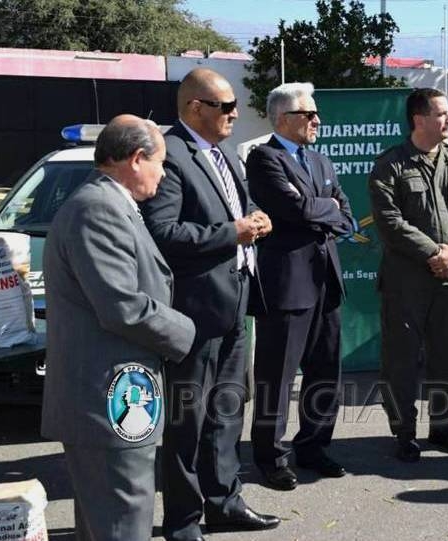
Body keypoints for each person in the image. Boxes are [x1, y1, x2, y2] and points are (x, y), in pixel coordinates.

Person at [40, 115, 197, 540]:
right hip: (106, 399)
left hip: (113, 395)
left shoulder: (109, 204)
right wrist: (187, 333)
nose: (164, 175)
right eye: (161, 163)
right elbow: (122, 306)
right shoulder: (98, 209)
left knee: (108, 521)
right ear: (136, 159)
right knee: (123, 522)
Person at [141, 68, 279, 540]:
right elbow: (163, 233)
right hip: (195, 313)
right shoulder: (171, 154)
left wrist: (255, 221)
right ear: (195, 107)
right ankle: (182, 521)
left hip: (236, 302)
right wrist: (232, 232)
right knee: (188, 421)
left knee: (226, 413)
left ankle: (224, 503)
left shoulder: (224, 155)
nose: (235, 114)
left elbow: (236, 214)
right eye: (226, 106)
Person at [368, 87, 448, 462]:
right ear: (419, 120)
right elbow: (389, 222)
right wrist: (434, 252)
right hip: (406, 282)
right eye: (441, 114)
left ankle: (442, 426)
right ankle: (404, 431)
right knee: (400, 359)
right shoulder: (391, 165)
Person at [246, 82, 354, 490]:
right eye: (308, 114)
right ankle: (271, 457)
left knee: (325, 372)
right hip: (288, 285)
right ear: (283, 118)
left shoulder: (321, 161)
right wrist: (324, 208)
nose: (317, 121)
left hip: (326, 281)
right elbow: (295, 209)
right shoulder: (264, 158)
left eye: (316, 113)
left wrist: (320, 209)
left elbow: (346, 216)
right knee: (277, 376)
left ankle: (313, 446)